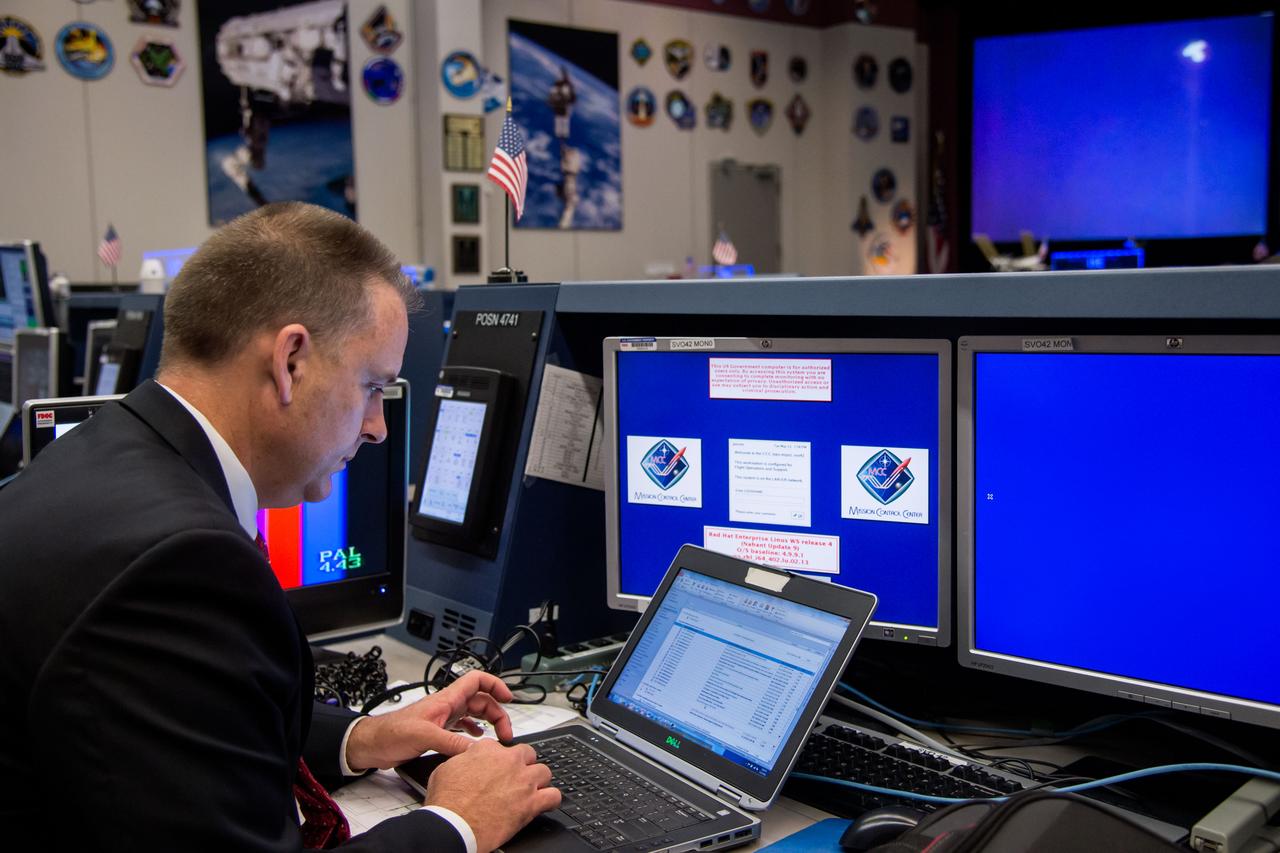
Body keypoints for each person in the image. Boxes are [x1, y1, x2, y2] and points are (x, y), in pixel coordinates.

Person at [0, 203, 560, 851]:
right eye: (373, 387)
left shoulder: (114, 454)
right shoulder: (179, 564)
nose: (378, 426)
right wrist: (457, 821)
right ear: (291, 360)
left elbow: (193, 728)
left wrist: (364, 737)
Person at [547, 66, 575, 141]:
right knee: (560, 122)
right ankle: (562, 139)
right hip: (560, 107)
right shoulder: (559, 85)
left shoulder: (565, 85)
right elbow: (553, 95)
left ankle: (563, 139)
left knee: (562, 122)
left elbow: (571, 98)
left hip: (563, 107)